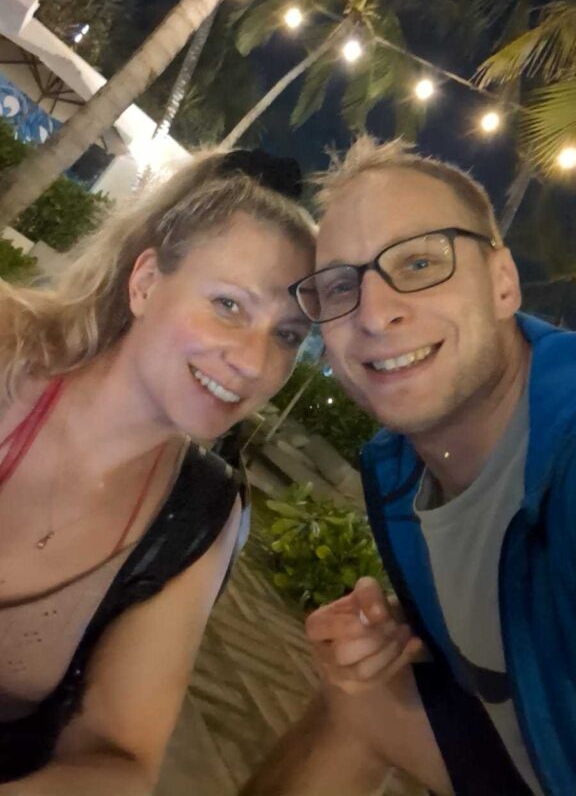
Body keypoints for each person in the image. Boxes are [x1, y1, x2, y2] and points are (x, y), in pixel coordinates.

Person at [241, 136, 575, 796]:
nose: (374, 314)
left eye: (419, 262)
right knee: (359, 698)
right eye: (342, 286)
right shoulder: (397, 469)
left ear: (503, 282)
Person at [0, 148, 315, 792]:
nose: (254, 363)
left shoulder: (198, 513)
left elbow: (120, 756)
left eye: (287, 335)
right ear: (145, 283)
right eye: (229, 305)